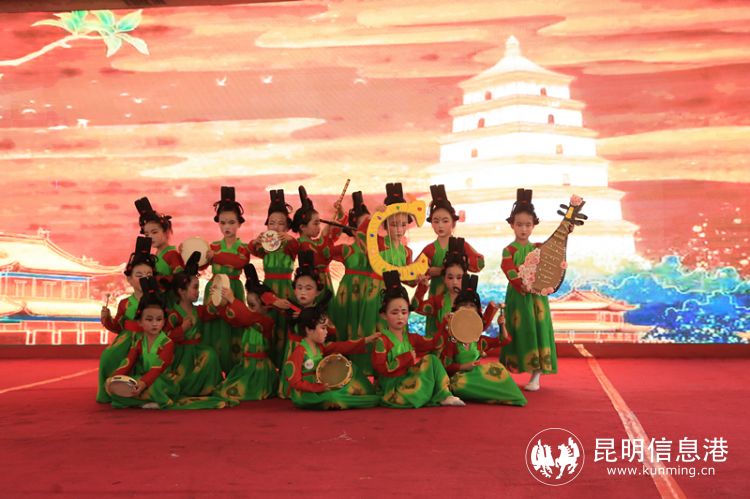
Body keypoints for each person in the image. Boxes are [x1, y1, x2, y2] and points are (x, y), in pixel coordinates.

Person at [371, 271, 465, 408]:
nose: (400, 316)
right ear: (384, 315)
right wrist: (406, 357)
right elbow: (381, 369)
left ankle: (445, 395)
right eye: (394, 312)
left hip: (408, 380)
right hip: (393, 388)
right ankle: (426, 395)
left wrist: (445, 324)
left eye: (404, 312)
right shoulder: (382, 340)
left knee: (432, 360)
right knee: (417, 388)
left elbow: (434, 343)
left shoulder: (410, 337)